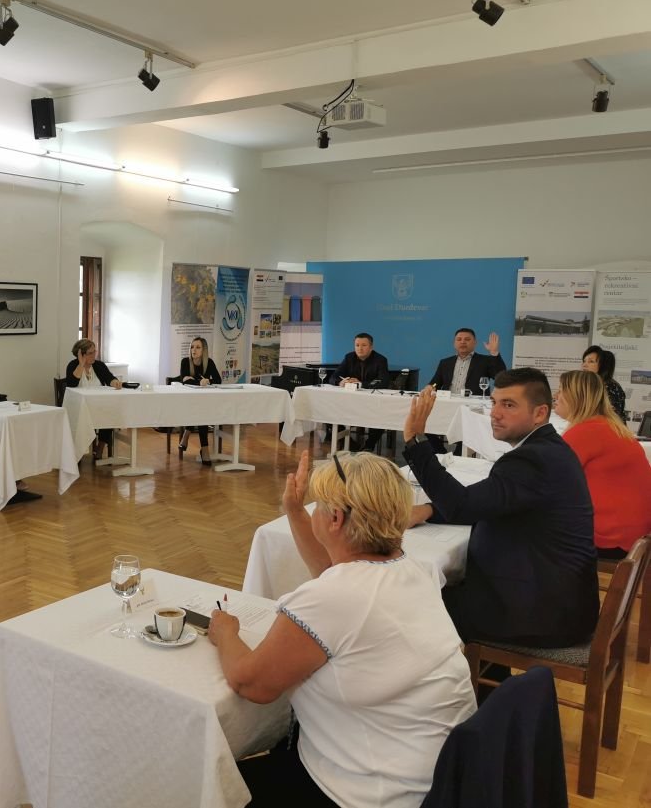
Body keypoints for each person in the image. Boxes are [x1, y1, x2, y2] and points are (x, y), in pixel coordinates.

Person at [208, 450, 476, 807]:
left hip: (370, 792)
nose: (314, 511)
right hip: (438, 777)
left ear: (335, 518)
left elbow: (250, 684)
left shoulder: (334, 598)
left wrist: (225, 631)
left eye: (318, 506)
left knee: (209, 784)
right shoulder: (412, 570)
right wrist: (295, 510)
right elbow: (333, 574)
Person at [403, 368, 598, 648]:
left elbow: (462, 505)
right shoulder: (548, 449)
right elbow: (489, 502)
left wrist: (415, 441)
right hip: (556, 602)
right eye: (494, 402)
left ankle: (448, 677)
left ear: (540, 413)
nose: (495, 413)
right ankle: (485, 677)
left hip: (538, 614)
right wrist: (430, 510)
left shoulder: (532, 460)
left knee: (410, 603)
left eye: (508, 405)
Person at [554, 369, 651, 558]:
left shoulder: (584, 432)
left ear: (576, 397)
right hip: (637, 535)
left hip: (610, 538)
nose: (556, 396)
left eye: (561, 390)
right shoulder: (612, 427)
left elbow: (549, 481)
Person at [330, 332, 389, 452]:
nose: (360, 348)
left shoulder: (380, 360)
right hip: (350, 402)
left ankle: (368, 446)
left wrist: (360, 384)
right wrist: (341, 382)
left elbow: (383, 382)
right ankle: (353, 446)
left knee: (382, 417)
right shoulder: (349, 358)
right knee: (329, 413)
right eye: (357, 345)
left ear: (371, 347)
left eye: (364, 345)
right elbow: (333, 377)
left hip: (372, 403)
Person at [177, 336, 221, 464]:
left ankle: (187, 433)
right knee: (201, 411)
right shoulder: (185, 362)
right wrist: (199, 382)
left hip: (203, 400)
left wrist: (207, 381)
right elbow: (184, 381)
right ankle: (205, 449)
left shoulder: (209, 362)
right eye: (192, 347)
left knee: (202, 409)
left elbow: (218, 380)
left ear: (204, 350)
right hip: (187, 400)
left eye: (197, 347)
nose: (193, 350)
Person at [427, 327, 506, 395]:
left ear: (475, 343)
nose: (462, 342)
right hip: (448, 401)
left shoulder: (485, 361)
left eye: (467, 339)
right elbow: (435, 383)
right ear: (454, 343)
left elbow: (500, 377)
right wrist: (431, 387)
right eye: (459, 339)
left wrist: (494, 353)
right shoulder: (445, 363)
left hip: (474, 403)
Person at [582, 345, 626, 419]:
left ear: (603, 365)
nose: (584, 365)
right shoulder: (590, 385)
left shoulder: (610, 387)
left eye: (591, 361)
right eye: (584, 361)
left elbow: (610, 417)